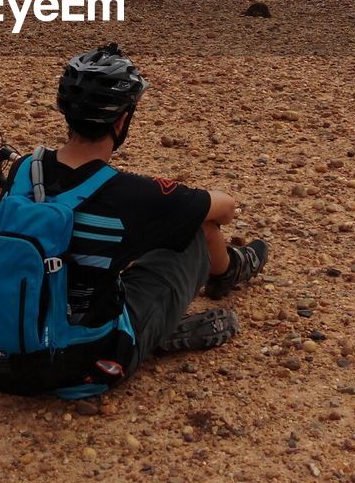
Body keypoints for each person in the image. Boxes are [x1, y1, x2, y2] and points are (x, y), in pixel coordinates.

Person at [26, 43, 268, 386]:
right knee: (198, 227)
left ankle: (221, 272)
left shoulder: (25, 169)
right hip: (87, 361)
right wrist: (178, 203)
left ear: (62, 109)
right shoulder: (129, 193)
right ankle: (227, 271)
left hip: (16, 342)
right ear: (123, 119)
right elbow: (225, 208)